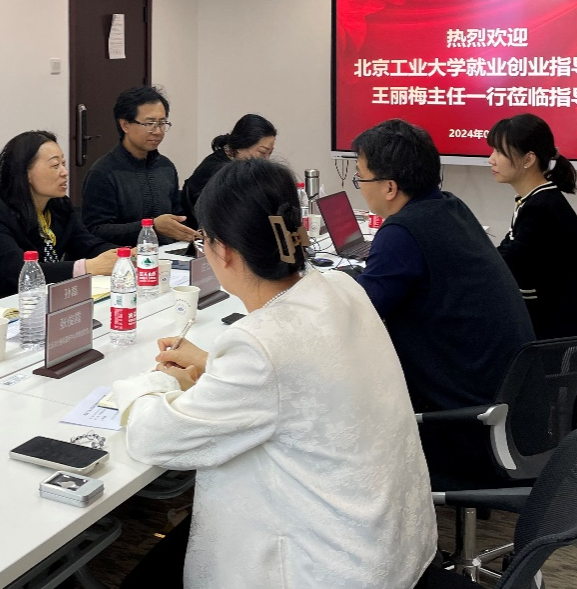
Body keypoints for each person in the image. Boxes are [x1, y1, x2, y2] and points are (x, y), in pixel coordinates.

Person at [113, 158, 435, 589]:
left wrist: (152, 383)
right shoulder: (340, 286)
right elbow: (303, 382)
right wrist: (214, 366)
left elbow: (155, 438)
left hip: (325, 568)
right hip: (390, 542)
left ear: (224, 251)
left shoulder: (261, 344)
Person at [352, 118, 534, 487]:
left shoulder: (402, 232)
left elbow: (358, 314)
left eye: (361, 178)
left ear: (389, 187)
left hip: (466, 423)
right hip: (509, 405)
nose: (360, 187)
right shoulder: (450, 207)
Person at [0, 131, 123, 303]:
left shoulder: (59, 205)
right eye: (55, 165)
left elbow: (86, 243)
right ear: (26, 172)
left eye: (63, 163)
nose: (65, 172)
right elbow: (19, 272)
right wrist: (87, 267)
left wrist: (123, 255)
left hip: (41, 301)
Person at [487, 114, 577, 339]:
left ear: (528, 159)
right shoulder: (536, 200)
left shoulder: (542, 208)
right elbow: (508, 253)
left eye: (499, 152)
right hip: (546, 320)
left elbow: (508, 264)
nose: (491, 159)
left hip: (550, 332)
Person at [81, 86, 195, 246]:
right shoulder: (103, 172)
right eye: (149, 123)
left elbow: (177, 216)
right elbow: (96, 230)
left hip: (167, 255)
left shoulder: (166, 167)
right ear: (125, 125)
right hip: (123, 257)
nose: (158, 131)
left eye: (162, 123)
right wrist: (151, 227)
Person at [181, 113, 276, 216]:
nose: (266, 160)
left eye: (270, 153)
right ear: (241, 146)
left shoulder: (241, 167)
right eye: (262, 152)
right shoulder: (215, 170)